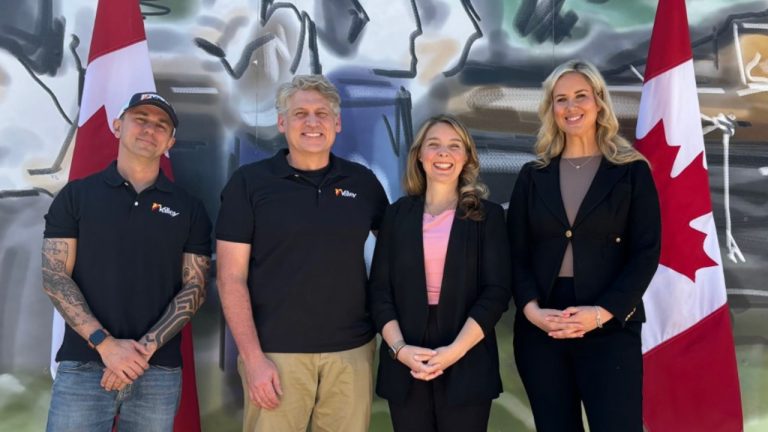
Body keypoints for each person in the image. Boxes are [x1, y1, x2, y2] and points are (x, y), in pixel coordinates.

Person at [216, 74, 389, 432]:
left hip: (351, 353)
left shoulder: (362, 182)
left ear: (337, 123)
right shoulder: (249, 184)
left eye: (322, 113)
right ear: (282, 122)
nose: (312, 122)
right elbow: (230, 277)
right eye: (300, 114)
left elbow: (398, 255)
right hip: (276, 354)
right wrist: (253, 359)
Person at [43, 92, 212, 432]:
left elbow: (195, 286)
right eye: (141, 119)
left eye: (161, 125)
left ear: (170, 142)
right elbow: (55, 276)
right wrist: (106, 346)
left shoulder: (189, 208)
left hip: (157, 369)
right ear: (118, 126)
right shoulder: (76, 196)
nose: (150, 129)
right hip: (84, 364)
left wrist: (143, 350)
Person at [507, 59, 661, 432]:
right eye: (561, 100)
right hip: (543, 328)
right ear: (551, 109)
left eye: (580, 96)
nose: (571, 107)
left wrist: (602, 312)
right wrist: (531, 311)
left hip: (609, 324)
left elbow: (646, 252)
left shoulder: (631, 171)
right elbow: (515, 253)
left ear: (599, 102)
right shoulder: (533, 176)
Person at [369, 114, 511, 432]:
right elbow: (379, 291)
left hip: (467, 354)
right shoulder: (396, 215)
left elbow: (497, 291)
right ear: (420, 155)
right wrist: (400, 350)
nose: (443, 153)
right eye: (434, 145)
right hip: (406, 356)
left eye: (453, 146)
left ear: (466, 157)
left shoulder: (487, 217)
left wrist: (454, 352)